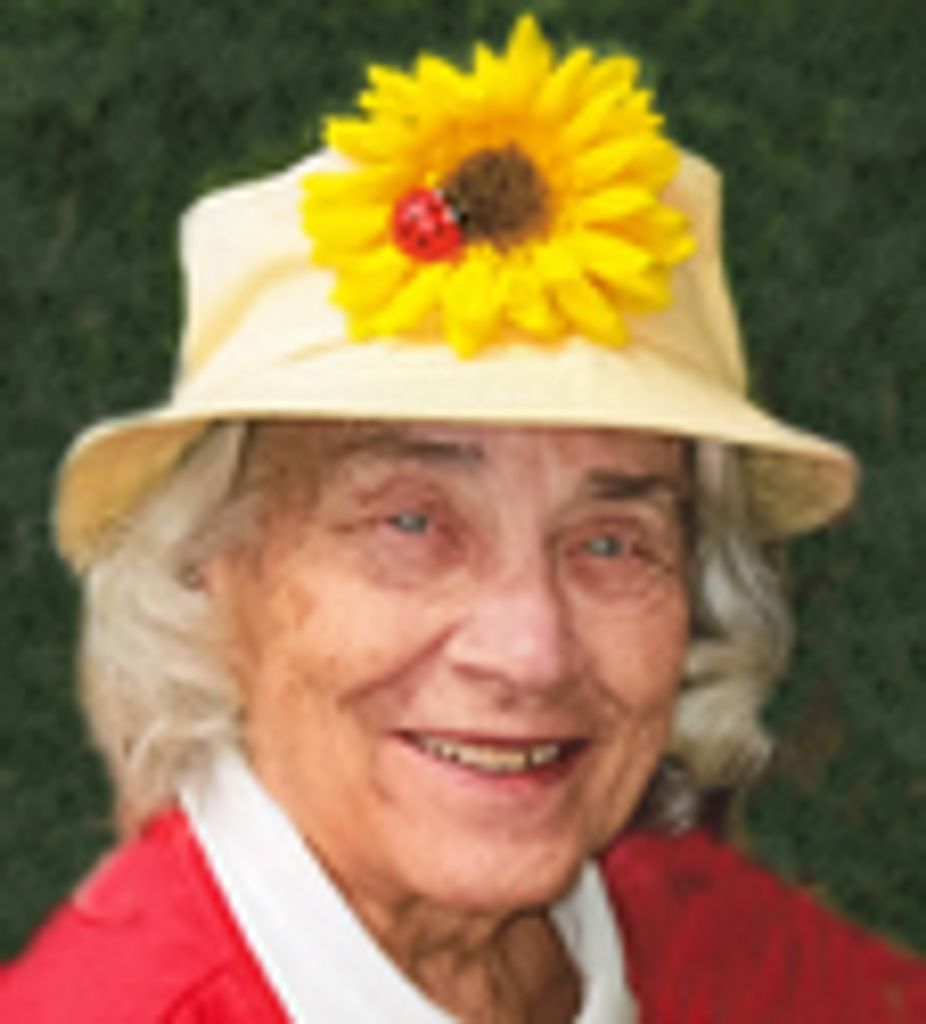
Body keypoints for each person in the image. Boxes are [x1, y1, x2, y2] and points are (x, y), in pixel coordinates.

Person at [2, 14, 924, 1023]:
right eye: (410, 524)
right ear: (212, 572)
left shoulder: (701, 932)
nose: (530, 653)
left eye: (610, 543)